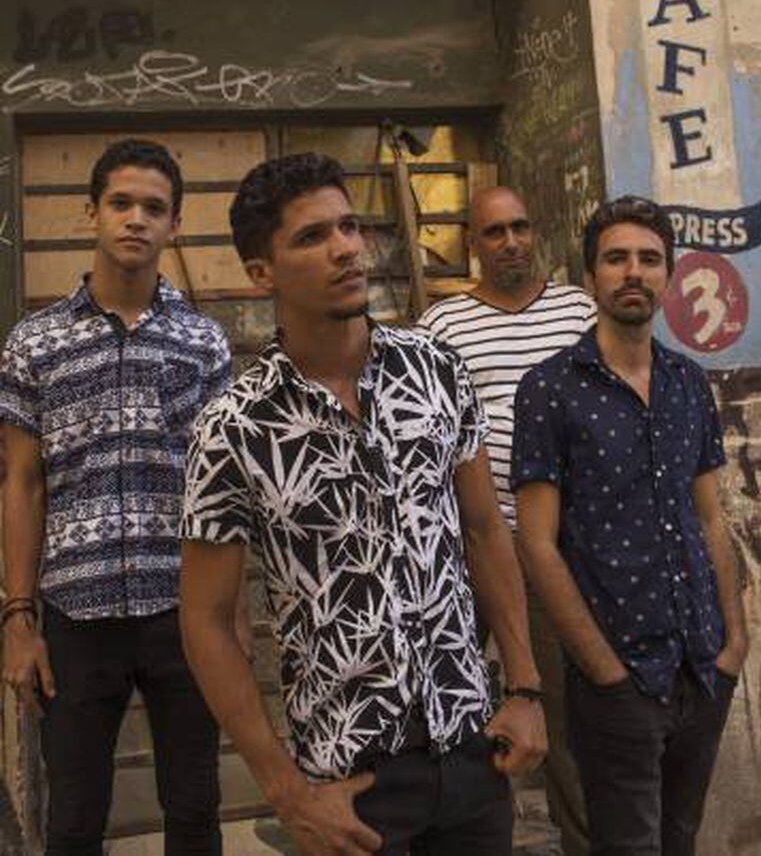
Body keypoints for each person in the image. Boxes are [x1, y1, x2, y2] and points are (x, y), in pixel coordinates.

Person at [179, 152, 548, 856]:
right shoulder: (233, 427)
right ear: (261, 272)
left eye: (349, 226)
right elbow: (206, 620)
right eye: (312, 236)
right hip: (348, 779)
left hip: (471, 748)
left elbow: (483, 531)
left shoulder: (436, 369)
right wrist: (285, 791)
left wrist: (526, 690)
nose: (346, 248)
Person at [0, 138, 231, 856]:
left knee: (195, 810)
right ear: (90, 213)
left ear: (175, 224)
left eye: (153, 208)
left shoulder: (204, 343)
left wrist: (228, 611)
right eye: (121, 203)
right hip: (76, 613)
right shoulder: (34, 343)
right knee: (73, 822)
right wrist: (17, 618)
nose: (136, 219)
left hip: (182, 611)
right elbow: (21, 481)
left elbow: (225, 489)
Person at [512, 196, 748, 856]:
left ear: (669, 275)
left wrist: (735, 639)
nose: (633, 272)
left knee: (680, 840)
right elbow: (536, 543)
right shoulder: (550, 389)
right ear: (591, 276)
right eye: (616, 259)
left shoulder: (687, 382)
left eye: (649, 259)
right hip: (618, 679)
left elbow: (710, 517)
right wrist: (603, 669)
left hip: (701, 668)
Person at [418, 185, 595, 856]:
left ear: (535, 232)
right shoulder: (442, 326)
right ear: (473, 243)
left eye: (519, 227)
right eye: (494, 232)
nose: (511, 242)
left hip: (560, 550)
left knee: (566, 716)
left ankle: (581, 842)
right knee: (455, 705)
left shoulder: (579, 311)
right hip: (470, 551)